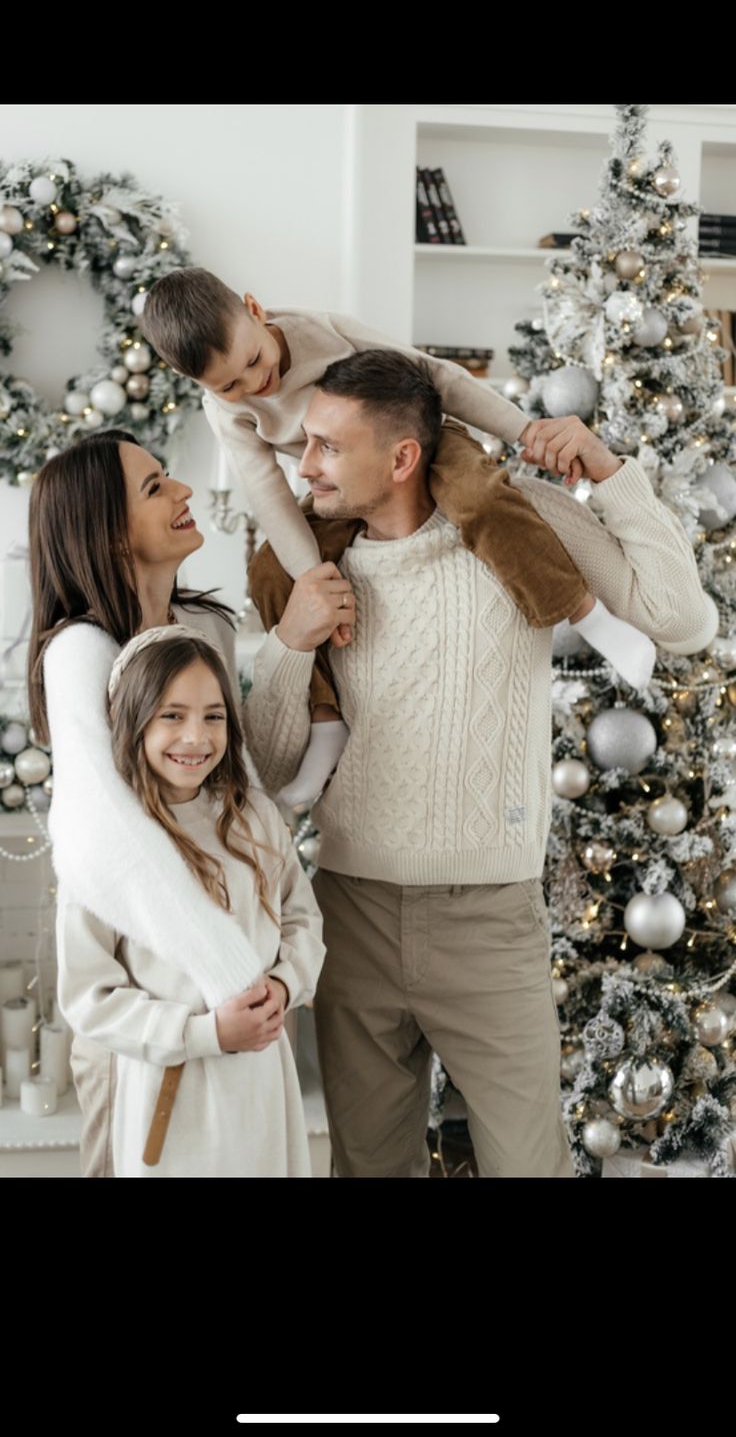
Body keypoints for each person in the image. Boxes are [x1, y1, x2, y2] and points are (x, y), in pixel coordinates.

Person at [241, 353, 718, 1177]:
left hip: (490, 919)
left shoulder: (517, 519)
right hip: (348, 910)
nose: (303, 464)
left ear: (401, 457)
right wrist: (291, 639)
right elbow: (278, 765)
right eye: (304, 443)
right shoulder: (305, 560)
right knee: (369, 1167)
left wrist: (609, 473)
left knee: (529, 1164)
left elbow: (683, 622)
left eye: (325, 446)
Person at [140, 269, 656, 808]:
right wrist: (312, 575)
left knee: (481, 502)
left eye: (253, 361)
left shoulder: (322, 332)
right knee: (271, 575)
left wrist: (521, 431)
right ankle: (326, 722)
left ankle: (590, 616)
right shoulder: (224, 409)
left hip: (421, 437)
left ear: (255, 308)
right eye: (229, 385)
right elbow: (268, 491)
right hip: (339, 481)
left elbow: (435, 376)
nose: (254, 386)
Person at [28, 429, 267, 1175]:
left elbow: (253, 791)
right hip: (146, 994)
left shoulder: (208, 631)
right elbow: (103, 828)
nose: (184, 492)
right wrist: (233, 972)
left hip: (238, 994)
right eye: (155, 486)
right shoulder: (80, 652)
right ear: (102, 525)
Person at [55, 629, 324, 1177]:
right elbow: (89, 996)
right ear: (134, 720)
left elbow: (302, 919)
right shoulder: (109, 846)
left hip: (260, 1079)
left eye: (214, 715)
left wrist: (283, 985)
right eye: (172, 715)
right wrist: (206, 1033)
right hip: (171, 1088)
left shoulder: (253, 819)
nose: (196, 736)